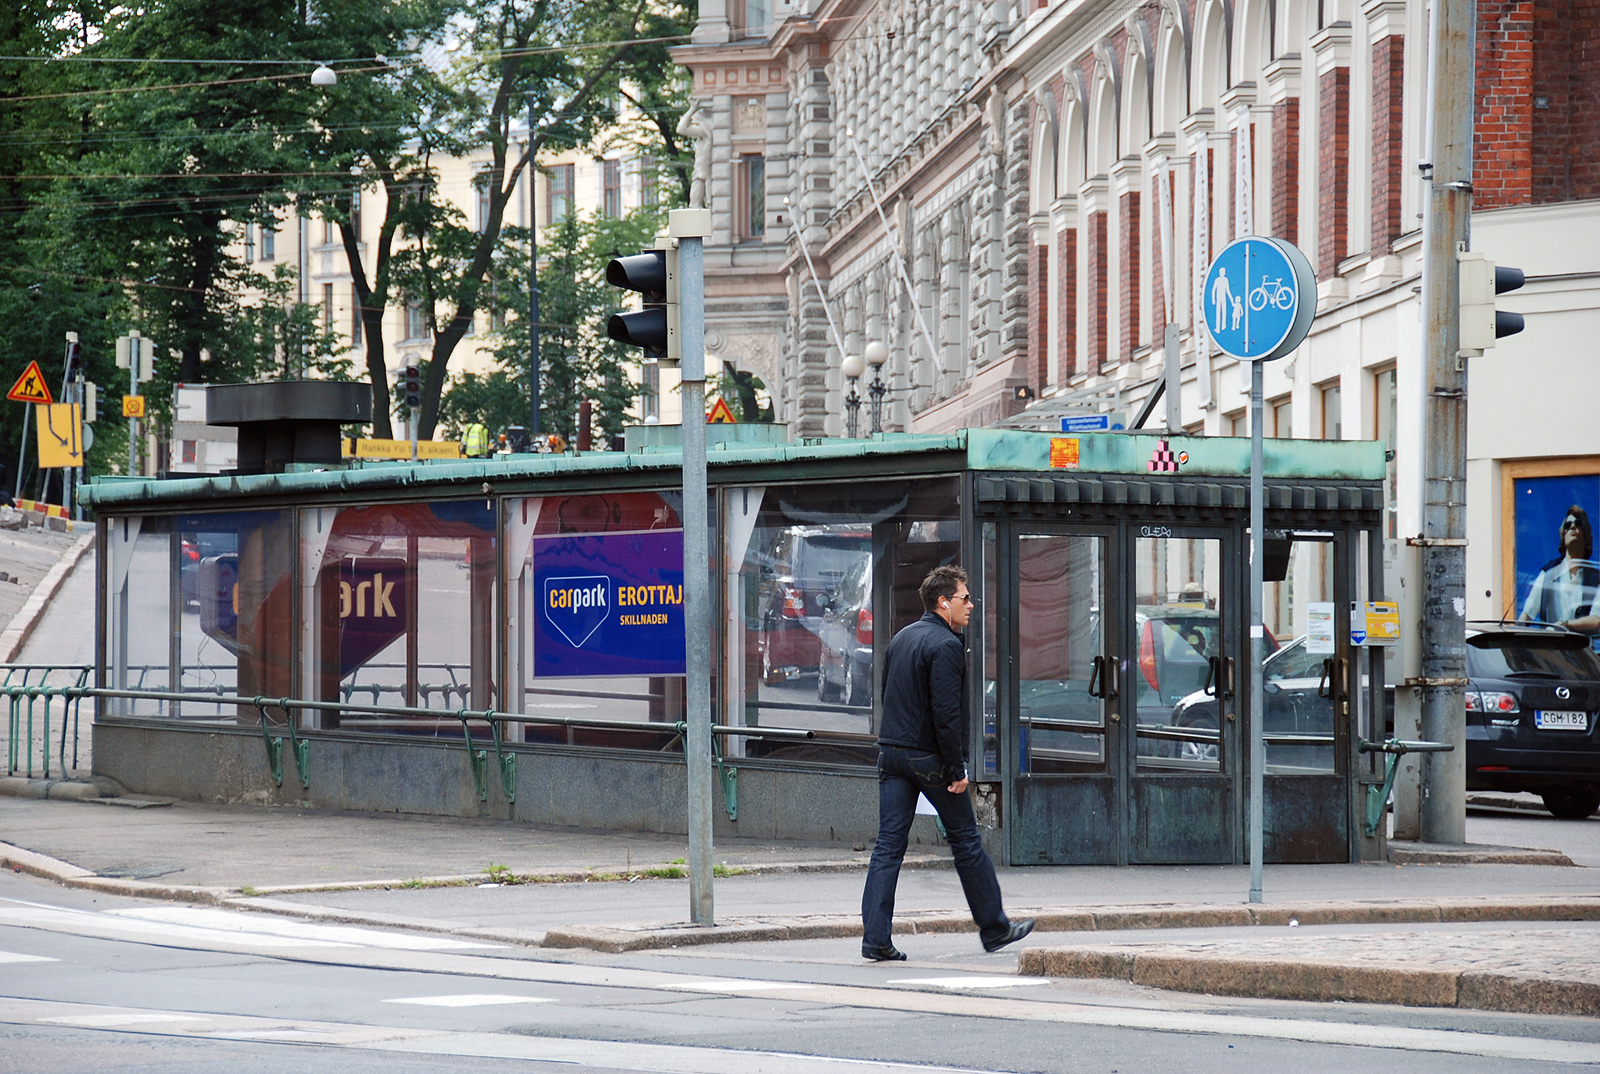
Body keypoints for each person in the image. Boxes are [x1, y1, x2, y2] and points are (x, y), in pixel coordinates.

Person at [860, 565, 1034, 961]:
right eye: (965, 598)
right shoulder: (947, 645)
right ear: (944, 603)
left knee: (888, 846)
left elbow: (890, 694)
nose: (970, 605)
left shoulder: (902, 638)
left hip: (892, 753)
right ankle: (995, 928)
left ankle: (876, 938)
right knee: (967, 842)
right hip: (930, 758)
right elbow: (946, 715)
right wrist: (958, 771)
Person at [1519, 505, 1599, 635]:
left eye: (1578, 523)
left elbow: (1597, 620)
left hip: (1581, 651)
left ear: (1586, 535)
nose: (1573, 527)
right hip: (1551, 650)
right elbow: (1526, 615)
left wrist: (1564, 624)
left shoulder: (1596, 578)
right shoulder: (1548, 573)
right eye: (1568, 525)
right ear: (1563, 534)